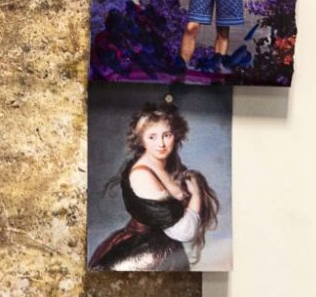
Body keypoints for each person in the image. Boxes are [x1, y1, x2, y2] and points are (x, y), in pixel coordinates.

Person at [88, 99, 220, 272]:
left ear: (176, 135)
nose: (161, 144)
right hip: (144, 253)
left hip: (165, 251)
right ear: (141, 140)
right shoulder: (142, 174)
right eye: (152, 137)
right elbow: (184, 231)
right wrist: (196, 195)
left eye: (167, 135)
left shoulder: (168, 165)